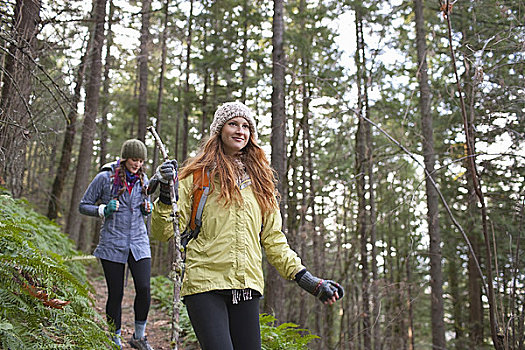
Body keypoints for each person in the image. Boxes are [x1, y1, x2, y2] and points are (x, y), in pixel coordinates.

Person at [150, 102, 344, 350]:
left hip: (247, 285)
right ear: (219, 130)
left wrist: (309, 281)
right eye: (233, 124)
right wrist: (167, 196)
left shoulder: (262, 184)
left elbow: (274, 241)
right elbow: (163, 232)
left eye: (246, 126)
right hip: (204, 284)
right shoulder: (196, 176)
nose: (240, 130)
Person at [79, 139, 154, 350]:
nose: (137, 164)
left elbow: (145, 207)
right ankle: (114, 338)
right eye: (134, 159)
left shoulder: (143, 180)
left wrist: (148, 208)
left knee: (144, 288)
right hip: (112, 242)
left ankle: (139, 337)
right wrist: (103, 209)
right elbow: (83, 206)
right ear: (124, 158)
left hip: (139, 242)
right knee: (116, 293)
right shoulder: (104, 178)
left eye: (141, 161)